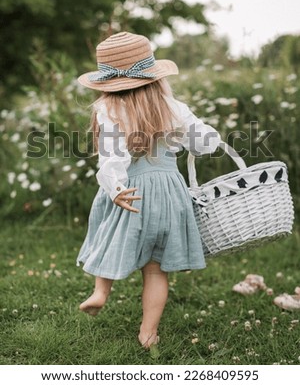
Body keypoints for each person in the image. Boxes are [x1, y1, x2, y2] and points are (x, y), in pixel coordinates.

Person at [76, 31, 221, 349]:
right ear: (155, 76)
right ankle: (148, 331)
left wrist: (115, 188)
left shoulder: (110, 111)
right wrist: (201, 134)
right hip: (169, 195)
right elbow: (204, 142)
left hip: (131, 193)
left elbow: (112, 159)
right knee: (156, 270)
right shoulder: (172, 107)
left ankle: (101, 292)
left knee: (109, 241)